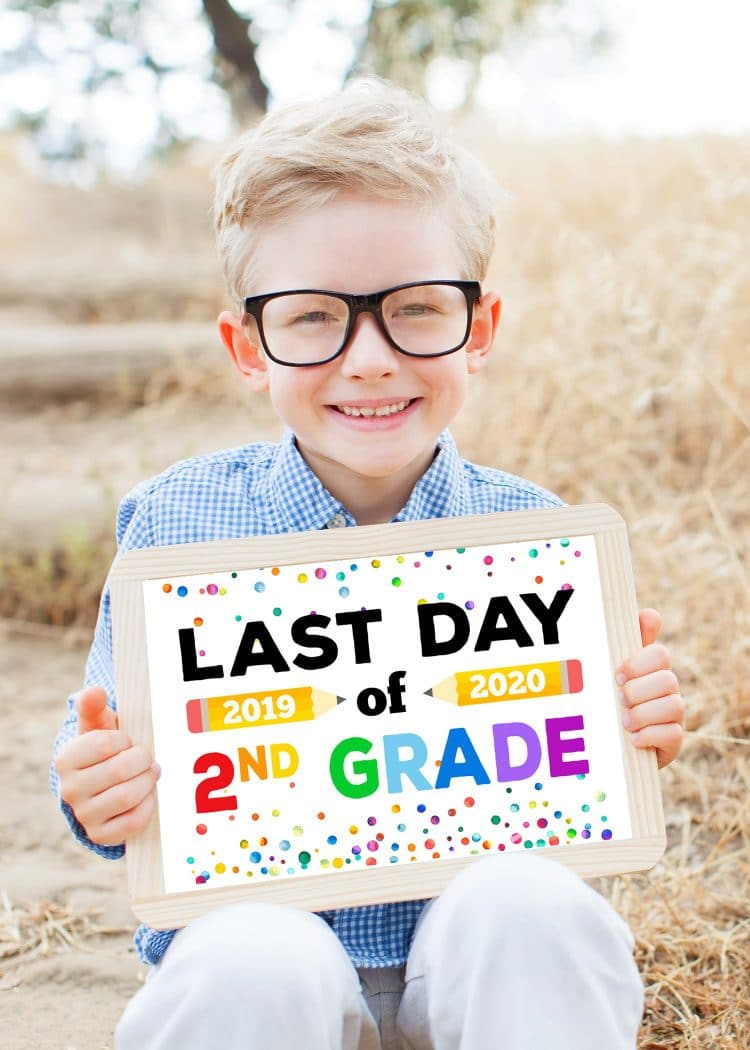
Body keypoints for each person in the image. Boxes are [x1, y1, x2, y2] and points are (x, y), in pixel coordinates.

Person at [51, 78, 685, 1050]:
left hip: (479, 974)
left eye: (416, 310)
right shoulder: (179, 529)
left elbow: (579, 771)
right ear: (247, 346)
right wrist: (100, 785)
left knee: (535, 910)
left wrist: (628, 724)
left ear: (479, 329)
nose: (370, 358)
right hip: (268, 978)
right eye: (312, 318)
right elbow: (109, 755)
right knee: (253, 959)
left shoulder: (534, 539)